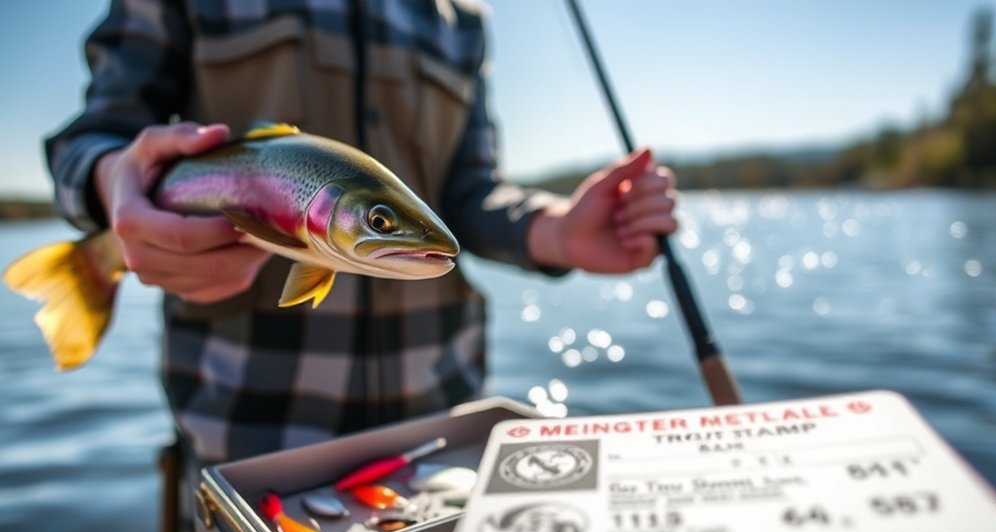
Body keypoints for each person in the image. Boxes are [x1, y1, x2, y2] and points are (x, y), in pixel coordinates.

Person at [48, 0, 678, 467]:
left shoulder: (462, 19)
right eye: (376, 223)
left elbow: (468, 193)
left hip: (439, 440)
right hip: (248, 449)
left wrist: (558, 231)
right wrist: (111, 181)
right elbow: (90, 138)